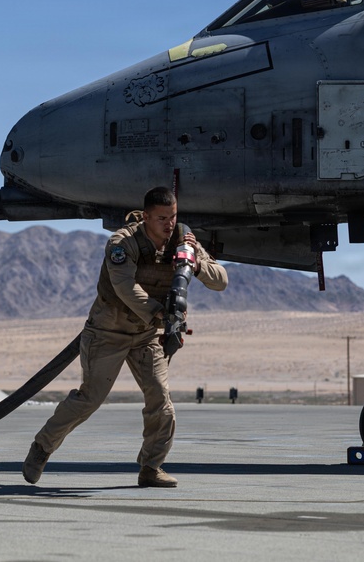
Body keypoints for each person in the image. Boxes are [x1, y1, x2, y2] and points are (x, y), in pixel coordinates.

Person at [22, 186, 228, 488]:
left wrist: (195, 263)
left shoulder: (184, 241)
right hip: (108, 331)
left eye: (172, 217)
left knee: (161, 401)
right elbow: (124, 287)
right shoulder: (123, 243)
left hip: (145, 336)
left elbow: (221, 281)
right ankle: (42, 447)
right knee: (90, 399)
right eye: (161, 218)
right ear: (146, 217)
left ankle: (151, 467)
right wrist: (161, 314)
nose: (169, 224)